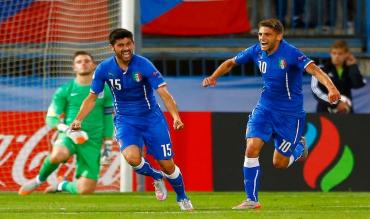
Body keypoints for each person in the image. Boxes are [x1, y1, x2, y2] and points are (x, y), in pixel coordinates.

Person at [202, 18, 340, 209]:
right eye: (260, 34)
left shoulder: (291, 53)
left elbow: (315, 70)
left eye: (267, 34)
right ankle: (252, 200)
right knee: (251, 147)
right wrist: (213, 77)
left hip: (290, 116)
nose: (262, 38)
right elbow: (231, 63)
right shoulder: (256, 50)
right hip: (265, 109)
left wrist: (332, 89)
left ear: (279, 36)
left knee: (279, 163)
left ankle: (299, 148)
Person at [69, 28, 193, 211]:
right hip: (125, 121)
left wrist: (176, 117)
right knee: (132, 158)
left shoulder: (144, 65)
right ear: (113, 47)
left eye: (128, 44)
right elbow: (92, 97)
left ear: (133, 44)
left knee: (167, 165)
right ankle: (156, 176)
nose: (126, 48)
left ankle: (182, 197)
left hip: (152, 119)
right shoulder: (104, 68)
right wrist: (78, 119)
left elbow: (164, 94)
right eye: (121, 45)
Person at [18, 51, 114, 195]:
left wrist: (107, 145)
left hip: (93, 140)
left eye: (87, 61)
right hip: (69, 135)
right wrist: (66, 129)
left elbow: (108, 117)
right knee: (58, 154)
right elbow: (51, 118)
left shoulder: (105, 90)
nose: (83, 63)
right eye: (79, 61)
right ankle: (39, 180)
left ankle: (61, 185)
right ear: (74, 68)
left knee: (85, 190)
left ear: (94, 65)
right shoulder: (64, 90)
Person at [311, 40, 366, 113]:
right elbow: (315, 90)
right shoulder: (321, 69)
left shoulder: (350, 68)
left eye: (340, 54)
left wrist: (353, 66)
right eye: (334, 53)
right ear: (330, 53)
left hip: (346, 111)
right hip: (325, 112)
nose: (336, 56)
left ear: (347, 54)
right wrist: (336, 104)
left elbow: (358, 84)